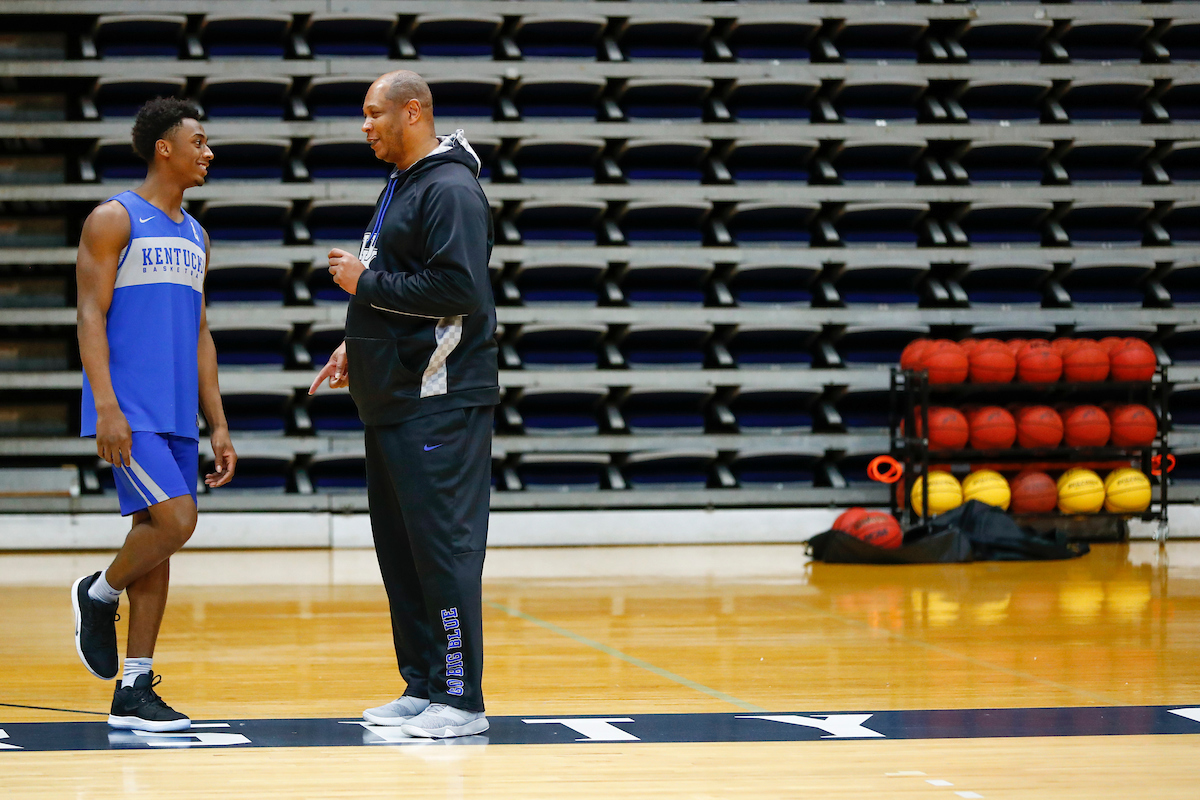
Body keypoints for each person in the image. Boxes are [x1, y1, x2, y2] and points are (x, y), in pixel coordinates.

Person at [309, 70, 497, 739]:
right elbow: (397, 290)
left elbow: (457, 289)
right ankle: (422, 685)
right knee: (402, 550)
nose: (364, 127)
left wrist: (365, 284)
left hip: (438, 403)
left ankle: (460, 698)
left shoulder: (450, 189)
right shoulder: (404, 184)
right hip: (391, 398)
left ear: (411, 112)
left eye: (371, 114)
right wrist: (355, 345)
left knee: (442, 551)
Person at [72, 97, 236, 733]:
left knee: (157, 543)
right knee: (177, 521)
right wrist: (106, 405)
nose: (208, 153)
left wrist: (217, 422)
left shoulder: (196, 235)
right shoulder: (113, 219)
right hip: (129, 409)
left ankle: (133, 690)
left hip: (175, 414)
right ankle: (98, 593)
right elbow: (90, 314)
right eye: (198, 141)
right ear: (164, 148)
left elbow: (200, 333)